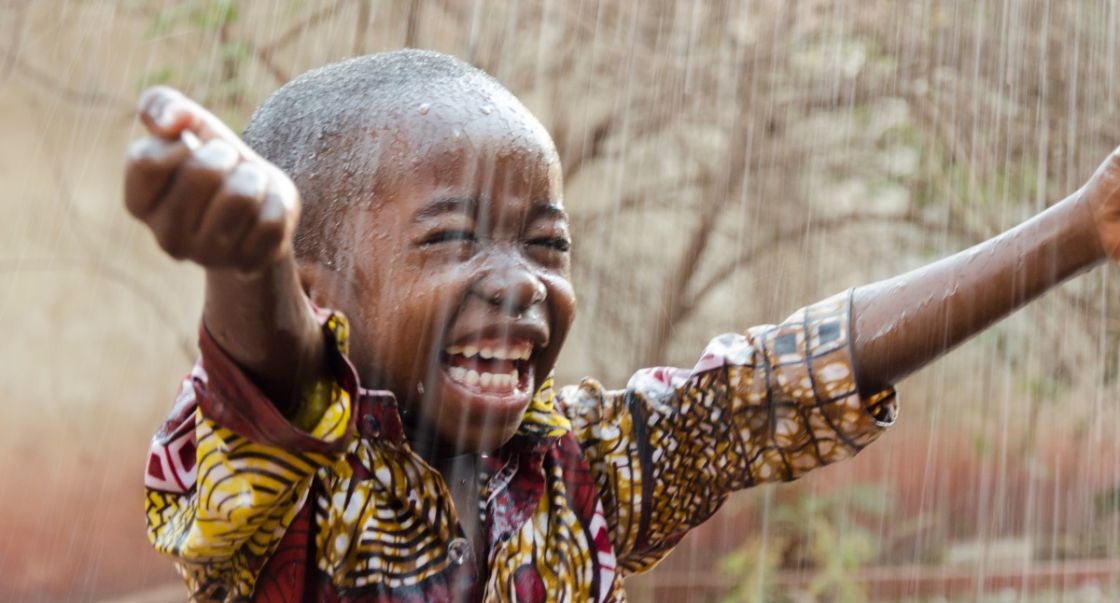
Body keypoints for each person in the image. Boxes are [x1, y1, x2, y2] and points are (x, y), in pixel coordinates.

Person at [128, 50, 1120, 602]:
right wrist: (245, 262)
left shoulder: (576, 478)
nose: (519, 284)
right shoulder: (282, 496)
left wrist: (1078, 227)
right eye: (453, 241)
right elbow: (274, 396)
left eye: (544, 245)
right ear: (317, 294)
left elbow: (778, 386)